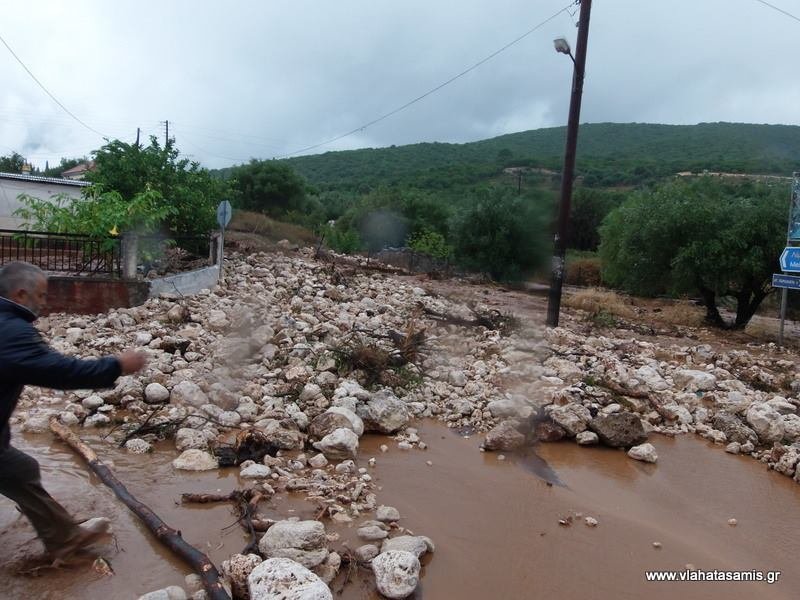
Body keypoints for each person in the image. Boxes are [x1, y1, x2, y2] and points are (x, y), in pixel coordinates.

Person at [0, 261, 146, 559]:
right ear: (20, 294)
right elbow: (61, 371)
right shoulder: (11, 331)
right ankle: (64, 538)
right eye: (40, 296)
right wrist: (116, 365)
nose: (44, 303)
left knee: (20, 469)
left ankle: (63, 538)